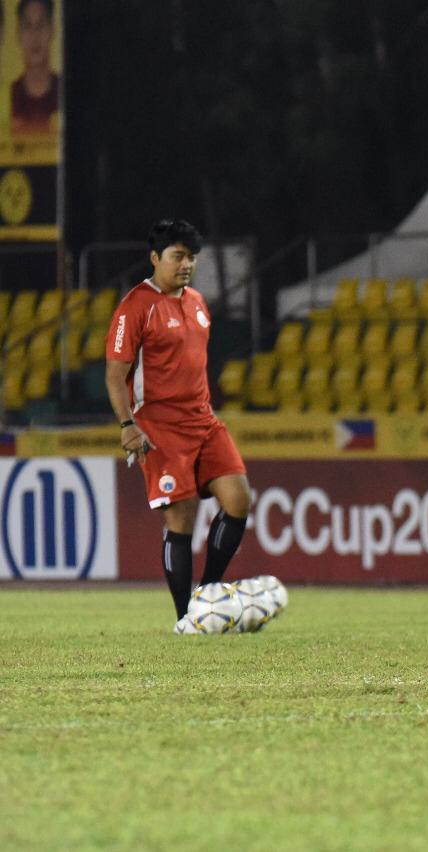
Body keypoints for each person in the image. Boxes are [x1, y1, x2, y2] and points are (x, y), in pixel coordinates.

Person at [104, 219, 253, 631]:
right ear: (155, 258)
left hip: (203, 421)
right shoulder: (135, 306)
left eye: (191, 257)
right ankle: (185, 617)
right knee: (181, 517)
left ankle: (207, 598)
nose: (186, 264)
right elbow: (115, 375)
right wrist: (126, 425)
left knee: (239, 500)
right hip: (160, 427)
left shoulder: (199, 303)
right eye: (177, 256)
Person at [10, 0, 59, 137]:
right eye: (28, 26)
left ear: (52, 30)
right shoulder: (7, 99)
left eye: (41, 25)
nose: (35, 35)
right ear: (18, 34)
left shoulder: (65, 92)